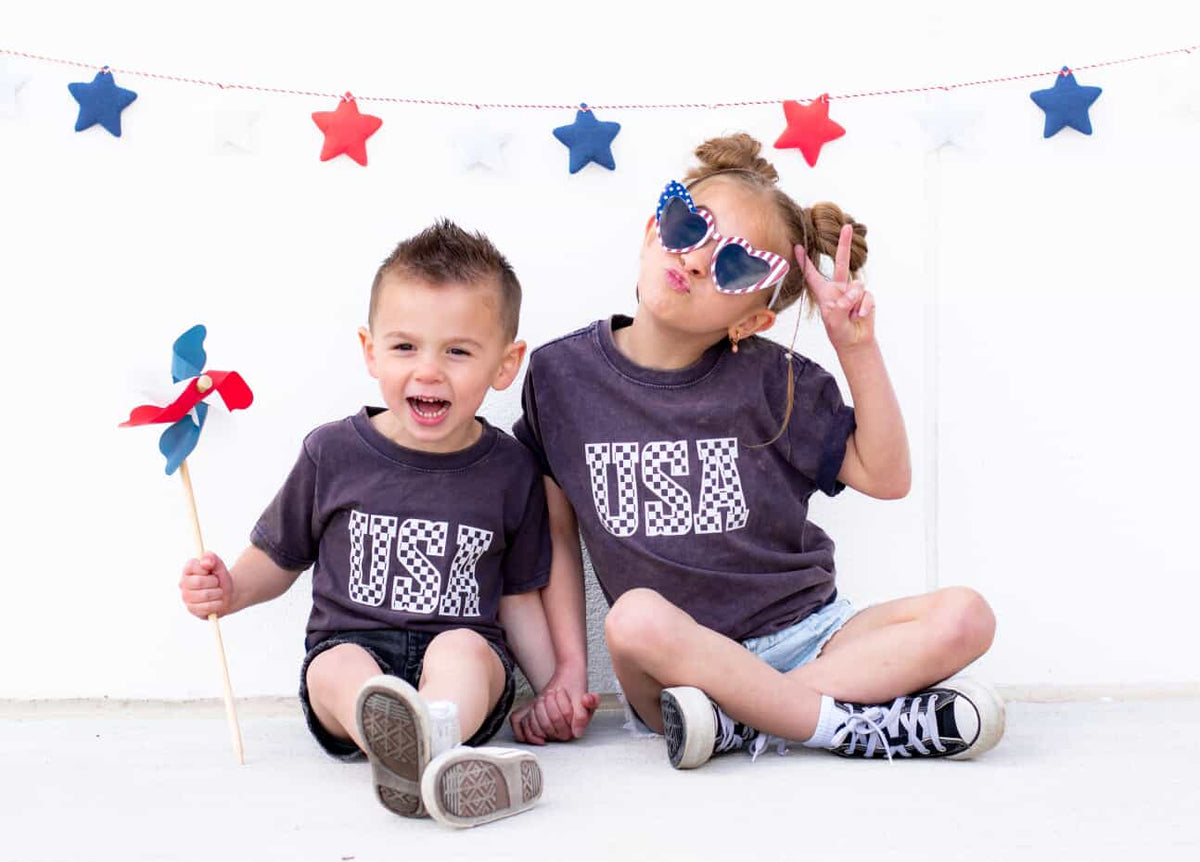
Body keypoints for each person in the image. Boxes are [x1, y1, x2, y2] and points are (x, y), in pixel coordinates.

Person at [511, 134, 1005, 768]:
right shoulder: (561, 376)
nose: (693, 261)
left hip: (813, 638)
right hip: (675, 667)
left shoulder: (776, 381)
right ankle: (842, 725)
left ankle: (741, 723)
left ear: (750, 320)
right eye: (686, 226)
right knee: (632, 619)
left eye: (734, 267)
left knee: (968, 616)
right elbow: (555, 531)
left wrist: (855, 348)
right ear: (650, 229)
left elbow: (887, 477)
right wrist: (567, 670)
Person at [179, 220, 571, 826]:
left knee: (464, 648)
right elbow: (279, 558)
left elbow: (519, 597)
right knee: (337, 669)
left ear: (505, 363)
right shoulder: (332, 454)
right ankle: (412, 748)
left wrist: (552, 690)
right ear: (370, 350)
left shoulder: (511, 470)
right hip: (353, 648)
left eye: (459, 350)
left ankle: (431, 745)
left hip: (463, 665)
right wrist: (229, 589)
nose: (429, 371)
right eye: (405, 346)